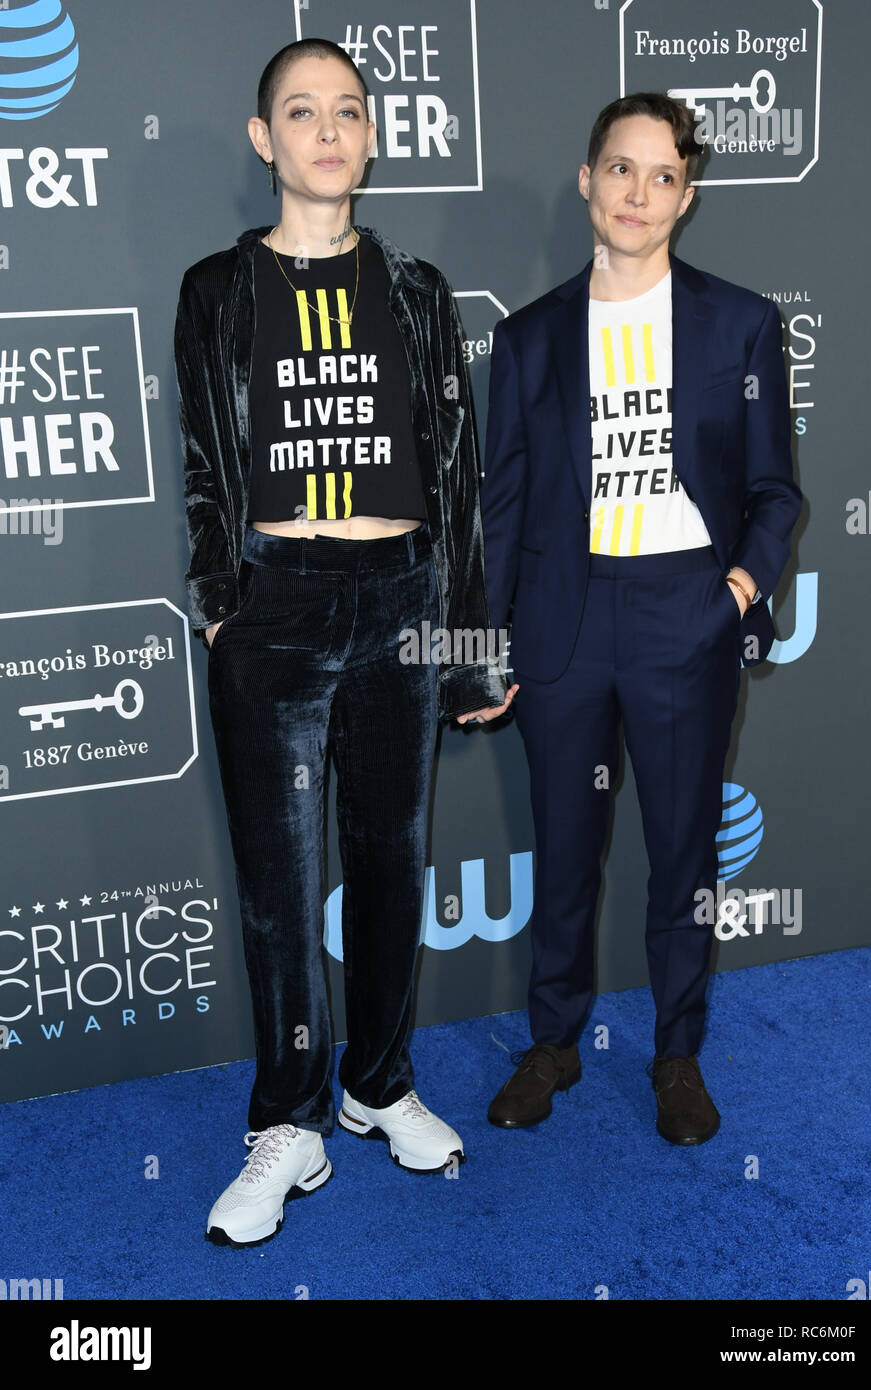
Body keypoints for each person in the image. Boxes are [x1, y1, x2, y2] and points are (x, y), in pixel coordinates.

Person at [173, 38, 512, 1249]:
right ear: (265, 140)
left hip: (404, 593)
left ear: (369, 139)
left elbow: (462, 479)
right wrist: (223, 601)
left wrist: (468, 646)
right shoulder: (215, 289)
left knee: (388, 861)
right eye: (300, 112)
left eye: (349, 111)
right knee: (278, 886)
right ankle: (290, 1122)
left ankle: (376, 1083)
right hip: (278, 603)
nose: (328, 129)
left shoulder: (417, 290)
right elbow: (208, 467)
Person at [480, 92, 802, 1143]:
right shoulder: (526, 340)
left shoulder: (739, 321)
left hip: (683, 615)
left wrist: (733, 598)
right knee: (563, 851)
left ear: (686, 195)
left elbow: (774, 492)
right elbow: (502, 505)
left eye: (661, 175)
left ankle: (675, 1054)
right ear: (586, 179)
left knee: (683, 857)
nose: (637, 192)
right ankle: (553, 1043)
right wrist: (487, 646)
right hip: (562, 623)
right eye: (619, 169)